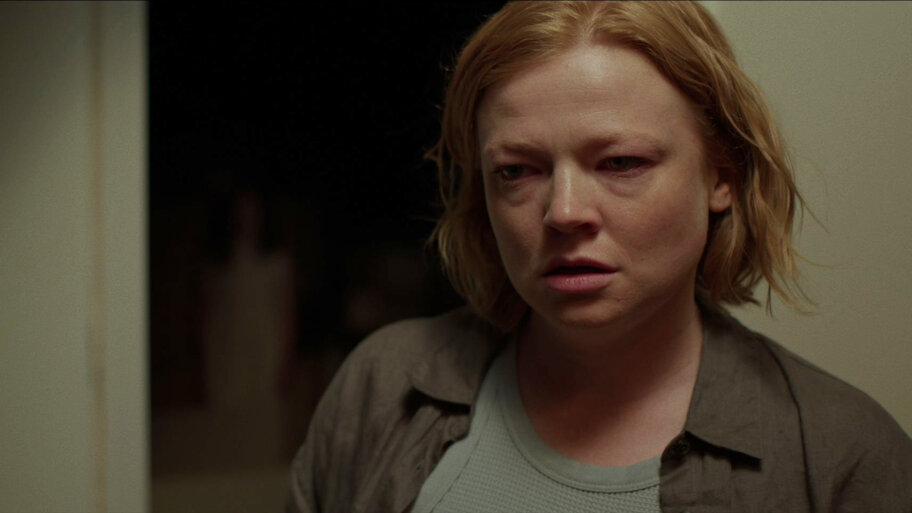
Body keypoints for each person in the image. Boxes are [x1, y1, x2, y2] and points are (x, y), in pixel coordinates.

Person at [287, 2, 912, 512]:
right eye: (517, 171)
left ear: (721, 175)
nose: (563, 212)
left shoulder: (841, 456)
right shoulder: (384, 387)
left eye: (620, 162)